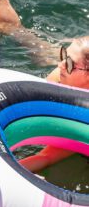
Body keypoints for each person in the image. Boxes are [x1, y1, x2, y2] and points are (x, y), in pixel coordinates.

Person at [21, 37, 89, 172]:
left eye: (70, 63)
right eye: (64, 55)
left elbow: (46, 157)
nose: (60, 65)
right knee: (31, 43)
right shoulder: (59, 75)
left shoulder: (82, 118)